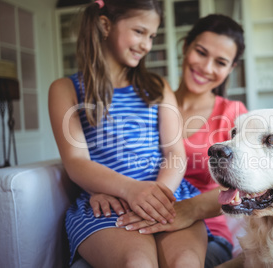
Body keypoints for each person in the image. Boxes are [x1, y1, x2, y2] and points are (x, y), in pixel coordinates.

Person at [48, 0, 207, 267]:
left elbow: (175, 152)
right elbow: (76, 162)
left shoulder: (157, 86)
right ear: (105, 25)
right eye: (139, 31)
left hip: (167, 195)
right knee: (137, 263)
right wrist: (131, 190)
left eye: (152, 36)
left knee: (186, 263)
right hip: (109, 204)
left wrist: (156, 197)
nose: (147, 44)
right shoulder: (65, 89)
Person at [101, 14, 248, 267]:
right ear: (185, 47)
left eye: (220, 62)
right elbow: (110, 157)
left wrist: (188, 210)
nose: (206, 67)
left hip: (206, 233)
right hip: (136, 219)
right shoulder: (148, 100)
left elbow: (245, 186)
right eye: (201, 52)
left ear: (231, 68)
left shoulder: (234, 115)